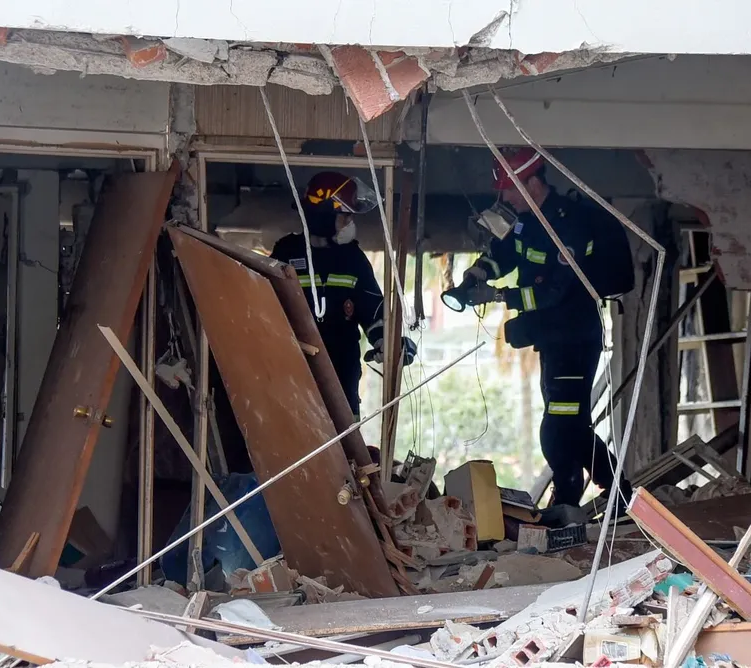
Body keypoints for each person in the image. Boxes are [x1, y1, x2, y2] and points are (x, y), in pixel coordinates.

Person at [451, 148, 633, 519]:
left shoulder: (568, 225)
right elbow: (507, 252)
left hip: (574, 338)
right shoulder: (525, 222)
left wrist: (500, 294)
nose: (505, 199)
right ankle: (593, 500)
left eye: (510, 191)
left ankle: (599, 498)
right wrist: (480, 273)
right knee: (566, 426)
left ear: (532, 183)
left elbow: (554, 292)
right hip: (551, 340)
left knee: (561, 428)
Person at [270, 171, 415, 420]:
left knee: (345, 452)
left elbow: (373, 309)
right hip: (291, 373)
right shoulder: (285, 253)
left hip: (342, 377)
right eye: (345, 215)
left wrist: (388, 343)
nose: (350, 223)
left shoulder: (353, 259)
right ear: (324, 216)